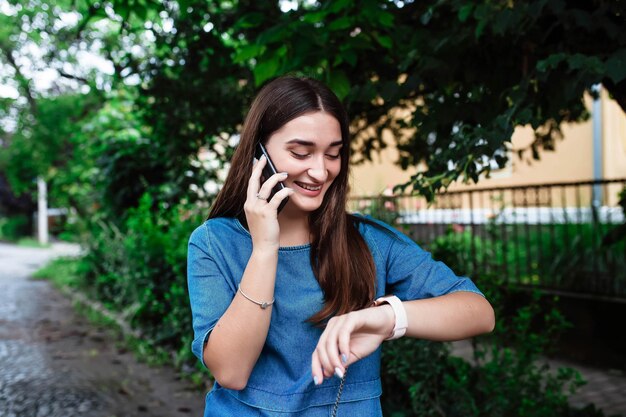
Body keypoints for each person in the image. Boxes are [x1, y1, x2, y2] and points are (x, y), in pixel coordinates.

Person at [187, 76, 495, 416]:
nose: (320, 172)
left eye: (333, 154)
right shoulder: (213, 242)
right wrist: (264, 249)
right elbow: (231, 370)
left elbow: (479, 312)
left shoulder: (367, 240)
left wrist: (388, 317)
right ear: (259, 151)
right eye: (300, 152)